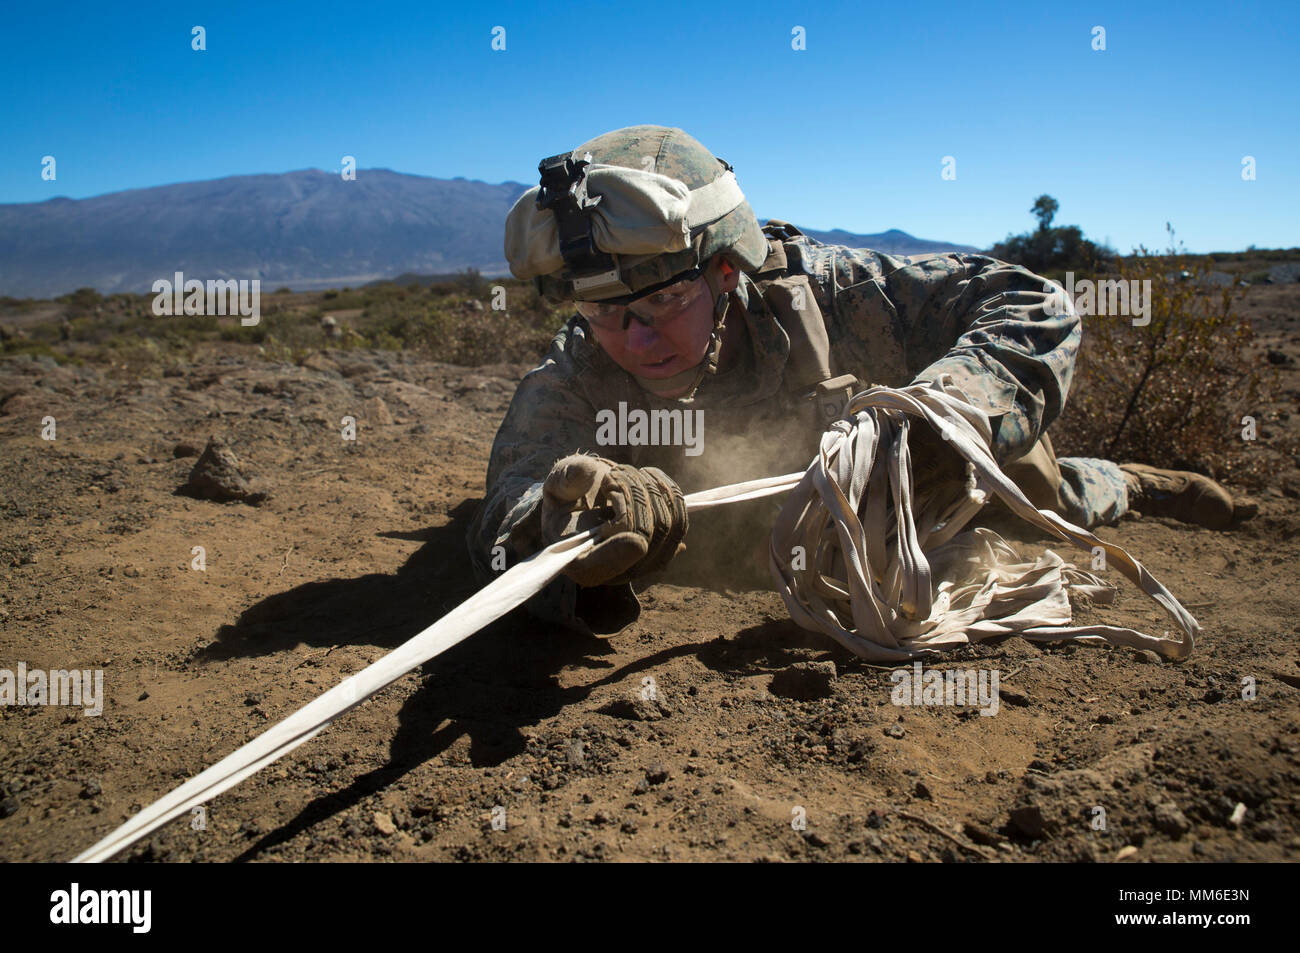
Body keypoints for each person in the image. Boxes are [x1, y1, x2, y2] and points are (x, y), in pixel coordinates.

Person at [467, 125, 1245, 636]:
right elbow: (517, 504)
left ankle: (1129, 484)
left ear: (728, 270)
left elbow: (1034, 305)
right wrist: (574, 524)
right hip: (756, 544)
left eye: (666, 299)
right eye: (607, 312)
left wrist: (942, 421)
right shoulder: (578, 364)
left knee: (1036, 501)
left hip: (897, 501)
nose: (634, 338)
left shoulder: (835, 291)